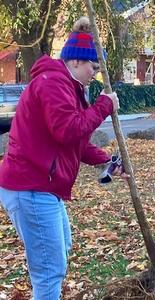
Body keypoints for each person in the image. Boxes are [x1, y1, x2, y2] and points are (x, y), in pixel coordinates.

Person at [0, 17, 124, 299]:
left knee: (60, 248)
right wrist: (104, 105)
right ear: (78, 62)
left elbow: (74, 145)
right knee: (49, 270)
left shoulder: (67, 86)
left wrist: (108, 161)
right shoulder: (54, 83)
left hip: (42, 187)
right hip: (29, 187)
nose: (95, 74)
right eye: (94, 68)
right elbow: (68, 131)